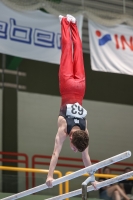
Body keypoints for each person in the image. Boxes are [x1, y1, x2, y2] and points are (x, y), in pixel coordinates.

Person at [45, 14, 97, 189]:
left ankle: (73, 23)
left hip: (81, 87)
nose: (73, 148)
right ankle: (63, 22)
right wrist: (50, 176)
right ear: (73, 137)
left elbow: (85, 157)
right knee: (67, 51)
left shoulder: (84, 128)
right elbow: (55, 153)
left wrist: (93, 178)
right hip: (67, 85)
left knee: (78, 55)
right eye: (74, 146)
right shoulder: (63, 129)